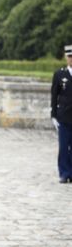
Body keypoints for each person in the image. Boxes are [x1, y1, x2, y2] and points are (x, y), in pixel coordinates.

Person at [50, 44, 72, 184]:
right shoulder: (60, 74)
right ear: (66, 57)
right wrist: (53, 114)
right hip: (63, 115)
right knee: (63, 146)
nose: (71, 59)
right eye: (69, 56)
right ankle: (64, 173)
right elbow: (54, 95)